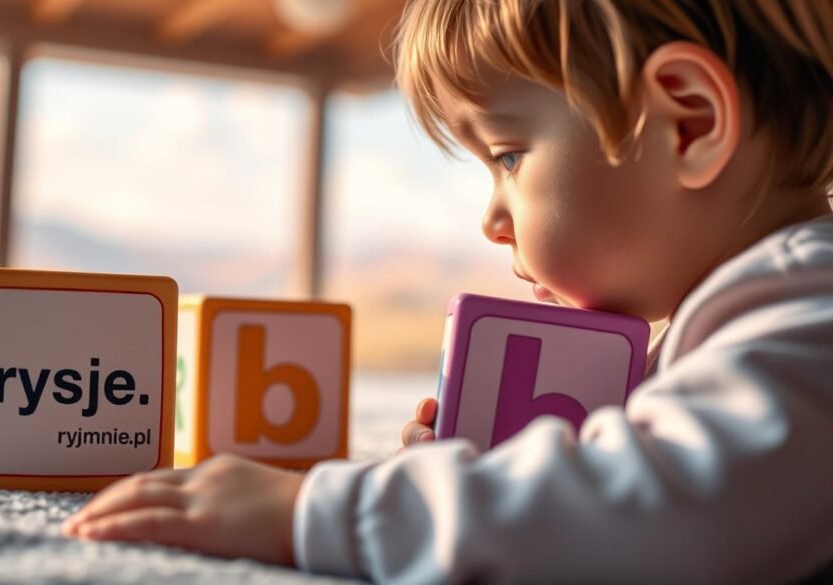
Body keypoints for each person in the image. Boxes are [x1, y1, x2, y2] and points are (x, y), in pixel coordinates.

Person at [62, 1, 833, 582]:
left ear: (688, 125)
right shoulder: (758, 311)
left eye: (508, 155)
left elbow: (671, 515)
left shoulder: (809, 310)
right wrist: (477, 473)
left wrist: (320, 512)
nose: (494, 220)